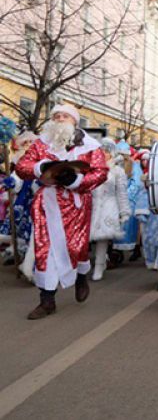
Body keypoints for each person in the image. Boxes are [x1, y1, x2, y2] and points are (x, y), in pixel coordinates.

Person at [16, 104, 109, 320]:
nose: (60, 118)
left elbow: (100, 173)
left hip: (76, 203)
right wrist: (41, 167)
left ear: (74, 120)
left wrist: (76, 180)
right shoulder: (41, 143)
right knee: (44, 250)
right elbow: (22, 167)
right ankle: (47, 300)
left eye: (65, 115)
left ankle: (80, 277)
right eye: (56, 115)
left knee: (75, 247)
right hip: (47, 204)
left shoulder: (90, 146)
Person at [89, 138, 130, 281]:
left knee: (102, 237)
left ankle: (99, 265)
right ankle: (99, 260)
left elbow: (122, 192)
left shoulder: (117, 171)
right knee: (90, 235)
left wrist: (124, 211)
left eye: (107, 151)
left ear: (112, 153)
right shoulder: (92, 169)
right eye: (102, 151)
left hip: (109, 205)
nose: (104, 154)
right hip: (93, 205)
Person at [0, 131, 38, 267]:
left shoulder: (41, 160)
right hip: (21, 198)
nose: (28, 145)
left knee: (32, 228)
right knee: (17, 223)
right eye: (25, 143)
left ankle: (31, 259)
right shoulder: (21, 162)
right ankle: (17, 252)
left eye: (30, 142)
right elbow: (16, 178)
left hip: (36, 198)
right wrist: (9, 182)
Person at [134, 149, 158, 290]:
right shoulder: (149, 175)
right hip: (156, 215)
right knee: (155, 243)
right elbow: (143, 193)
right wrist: (142, 210)